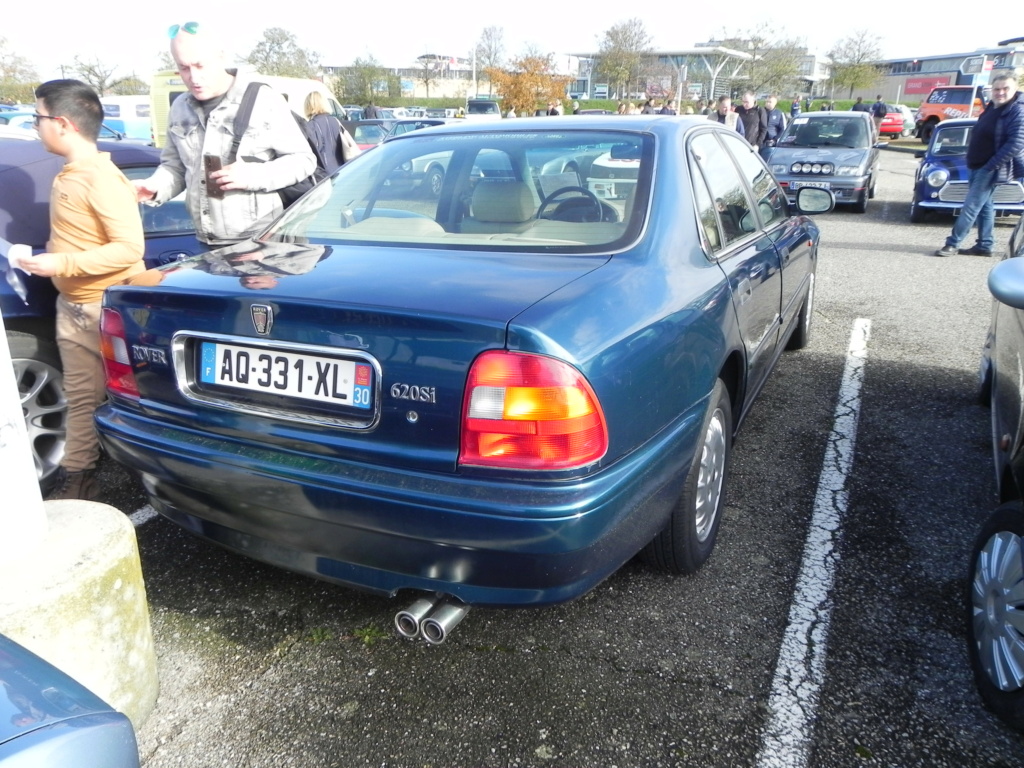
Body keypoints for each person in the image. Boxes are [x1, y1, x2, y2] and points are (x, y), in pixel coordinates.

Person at [17, 80, 145, 500]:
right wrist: (53, 253)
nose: (36, 126)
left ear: (63, 123)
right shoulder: (69, 172)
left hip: (105, 312)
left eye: (38, 117)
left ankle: (154, 481)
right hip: (72, 307)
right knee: (80, 396)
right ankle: (79, 477)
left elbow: (130, 249)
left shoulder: (99, 177)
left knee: (138, 397)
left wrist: (61, 262)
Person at [134, 22, 315, 247]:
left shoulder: (262, 99)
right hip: (206, 242)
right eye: (183, 68)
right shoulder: (180, 107)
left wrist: (252, 176)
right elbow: (175, 167)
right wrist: (154, 188)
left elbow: (303, 161)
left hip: (262, 245)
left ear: (221, 57)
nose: (193, 77)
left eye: (200, 66)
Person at [935, 75, 1024, 257]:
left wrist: (992, 165)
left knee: (971, 206)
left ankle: (953, 244)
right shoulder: (993, 106)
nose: (1000, 92)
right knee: (985, 206)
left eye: (1005, 88)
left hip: (990, 166)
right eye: (997, 89)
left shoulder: (1017, 111)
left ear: (1014, 89)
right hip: (977, 164)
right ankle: (985, 245)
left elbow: (1016, 143)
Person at [303, 91, 344, 175]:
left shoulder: (311, 125)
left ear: (309, 105)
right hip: (342, 168)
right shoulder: (335, 121)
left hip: (325, 174)